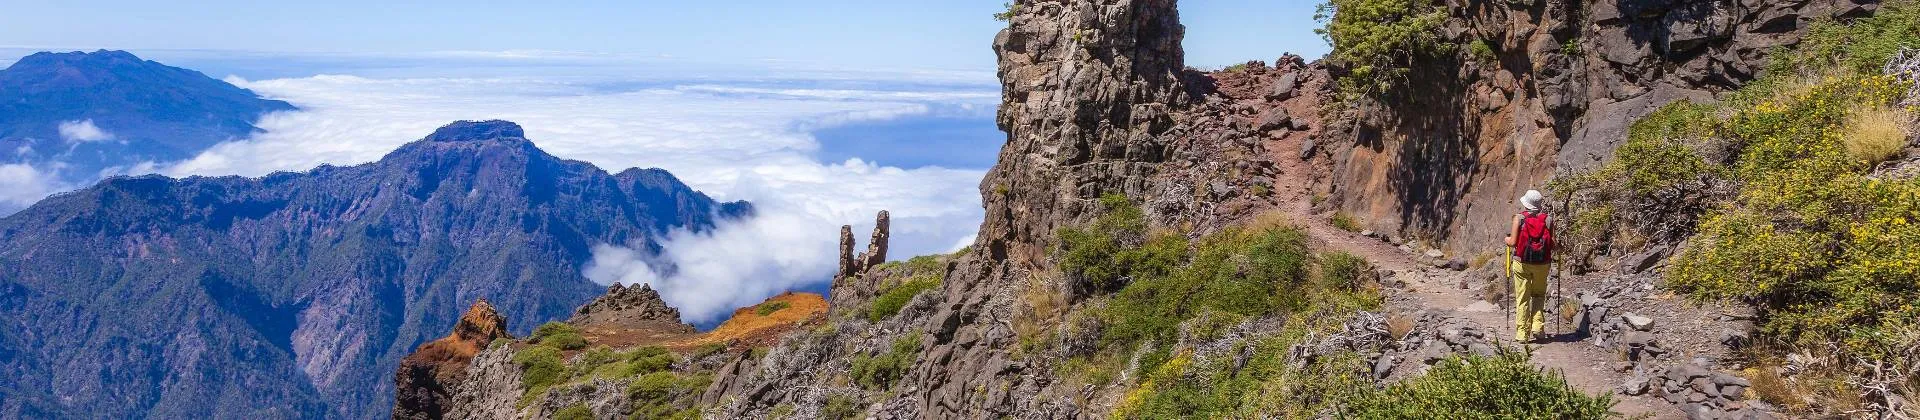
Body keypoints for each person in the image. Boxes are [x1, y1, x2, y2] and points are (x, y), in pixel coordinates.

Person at [1505, 190, 1555, 343]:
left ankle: (1522, 333)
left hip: (1522, 263)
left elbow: (1513, 242)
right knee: (1539, 295)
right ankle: (1538, 327)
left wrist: (1506, 239)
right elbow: (1552, 243)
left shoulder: (1519, 219)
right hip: (1542, 263)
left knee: (1522, 297)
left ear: (1526, 203)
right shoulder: (1548, 220)